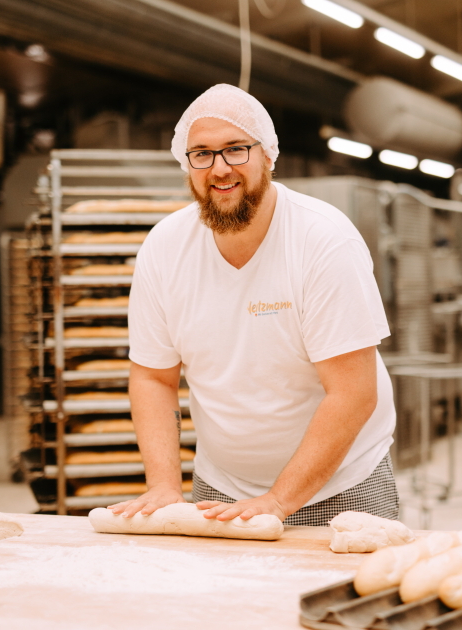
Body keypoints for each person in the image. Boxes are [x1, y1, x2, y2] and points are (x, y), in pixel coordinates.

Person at [109, 84, 398, 527]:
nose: (219, 168)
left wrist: (279, 501)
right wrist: (164, 483)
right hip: (221, 487)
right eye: (202, 154)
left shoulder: (322, 240)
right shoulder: (165, 247)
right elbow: (153, 376)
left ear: (268, 155)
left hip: (342, 486)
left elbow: (354, 394)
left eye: (235, 148)